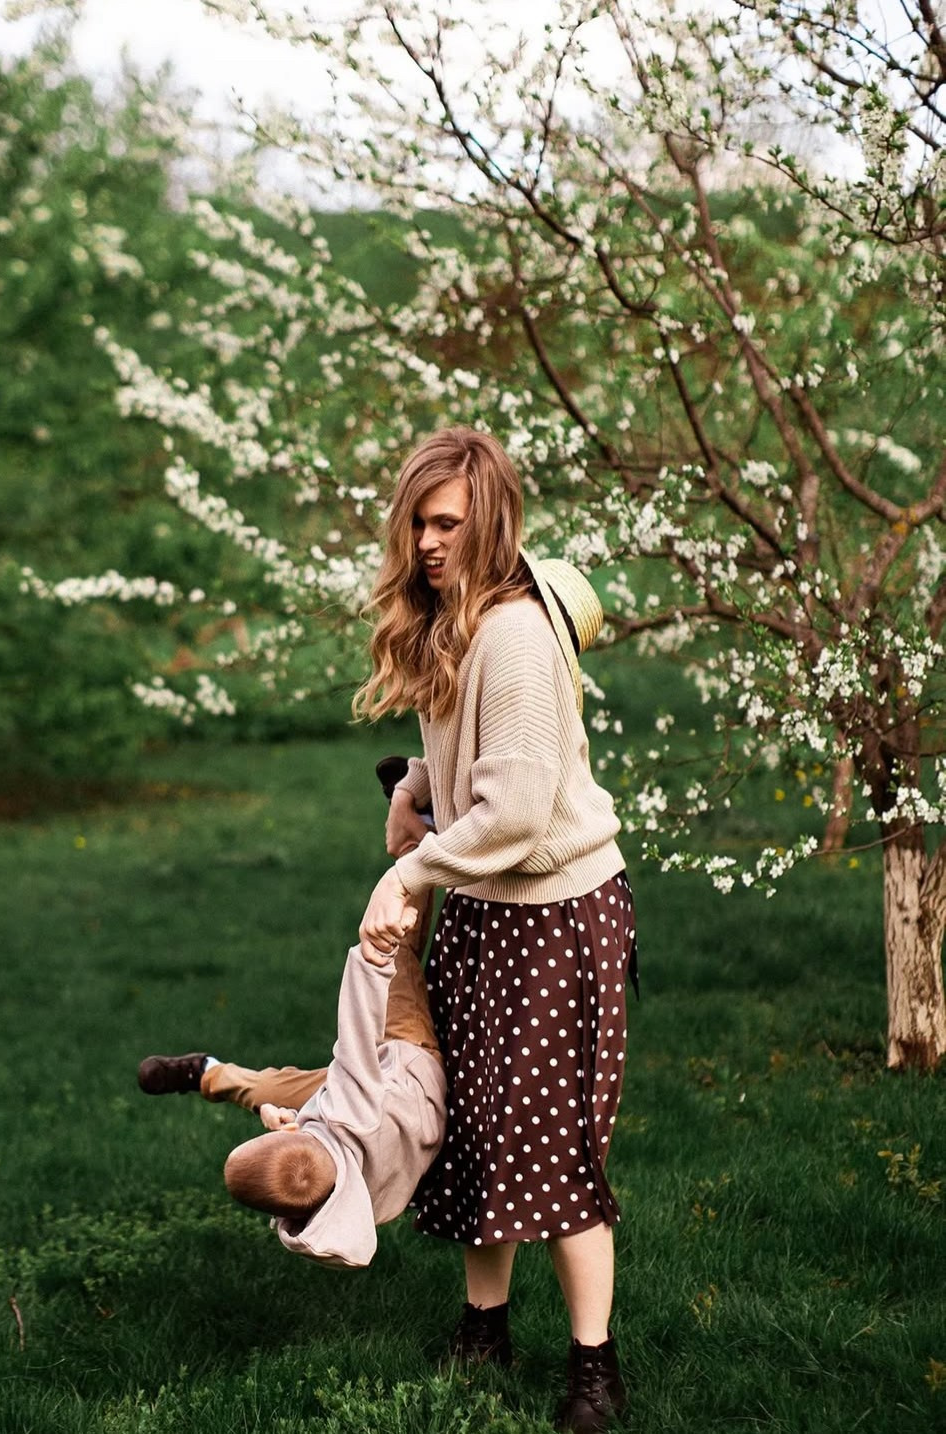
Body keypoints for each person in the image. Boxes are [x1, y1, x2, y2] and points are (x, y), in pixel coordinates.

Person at [352, 426, 638, 1434]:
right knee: (476, 1133)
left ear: (489, 522)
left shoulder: (513, 635)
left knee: (553, 1146)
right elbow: (476, 761)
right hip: (485, 914)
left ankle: (595, 1365)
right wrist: (420, 788)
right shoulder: (454, 622)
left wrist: (417, 871)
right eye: (418, 522)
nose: (428, 542)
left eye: (447, 523)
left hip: (558, 918)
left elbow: (517, 812)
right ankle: (484, 1328)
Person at [136, 897, 446, 1269]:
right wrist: (373, 957)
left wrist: (295, 1123)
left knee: (268, 1093)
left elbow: (318, 1153)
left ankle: (207, 1072)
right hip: (405, 1059)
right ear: (295, 1137)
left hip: (380, 1116)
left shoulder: (337, 1210)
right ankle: (415, 858)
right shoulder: (353, 1112)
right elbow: (357, 1036)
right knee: (400, 953)